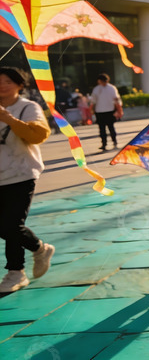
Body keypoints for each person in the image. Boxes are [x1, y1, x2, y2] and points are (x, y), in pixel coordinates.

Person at [0, 68, 56, 293]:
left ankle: (15, 272)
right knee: (9, 226)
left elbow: (38, 136)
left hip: (21, 174)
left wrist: (8, 119)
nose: (2, 85)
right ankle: (39, 249)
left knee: (10, 225)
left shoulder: (28, 107)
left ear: (19, 85)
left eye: (8, 81)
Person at [90, 73, 121, 151]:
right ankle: (109, 142)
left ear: (99, 81)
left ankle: (107, 143)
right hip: (105, 111)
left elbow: (93, 101)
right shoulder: (111, 88)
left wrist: (91, 109)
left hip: (103, 111)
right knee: (107, 128)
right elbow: (117, 100)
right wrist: (119, 109)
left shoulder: (97, 89)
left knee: (106, 128)